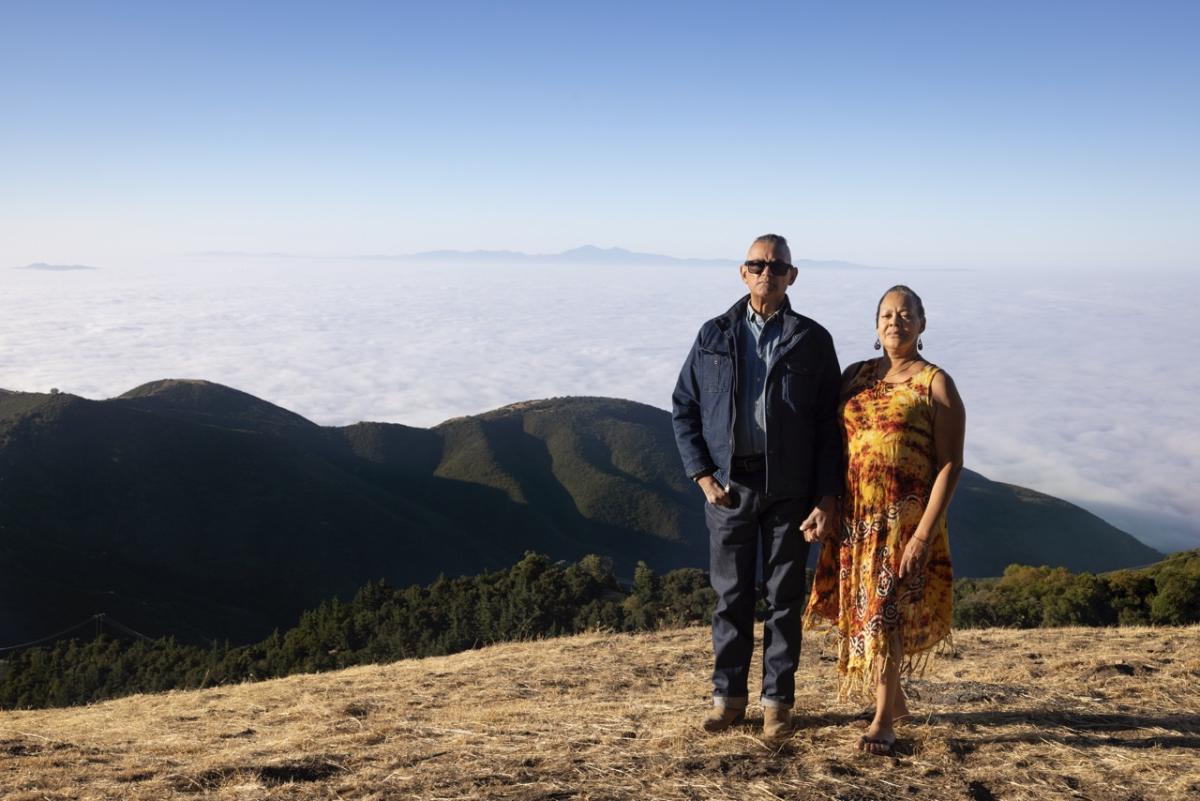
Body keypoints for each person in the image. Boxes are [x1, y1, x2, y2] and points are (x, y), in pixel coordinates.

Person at [672, 234, 842, 739]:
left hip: (790, 491)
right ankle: (728, 699)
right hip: (729, 488)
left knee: (784, 599)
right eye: (757, 263)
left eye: (777, 265)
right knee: (730, 598)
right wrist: (703, 476)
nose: (766, 271)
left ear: (792, 275)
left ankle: (777, 704)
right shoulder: (713, 334)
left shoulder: (812, 338)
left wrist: (826, 496)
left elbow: (832, 428)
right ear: (742, 272)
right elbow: (685, 407)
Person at [803, 284, 966, 757]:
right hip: (856, 518)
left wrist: (923, 534)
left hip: (904, 524)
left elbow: (950, 464)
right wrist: (826, 503)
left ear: (922, 323)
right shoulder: (855, 376)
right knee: (867, 615)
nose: (896, 322)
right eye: (887, 315)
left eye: (906, 314)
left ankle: (882, 723)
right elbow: (831, 443)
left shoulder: (935, 383)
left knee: (885, 613)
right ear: (876, 327)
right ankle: (894, 704)